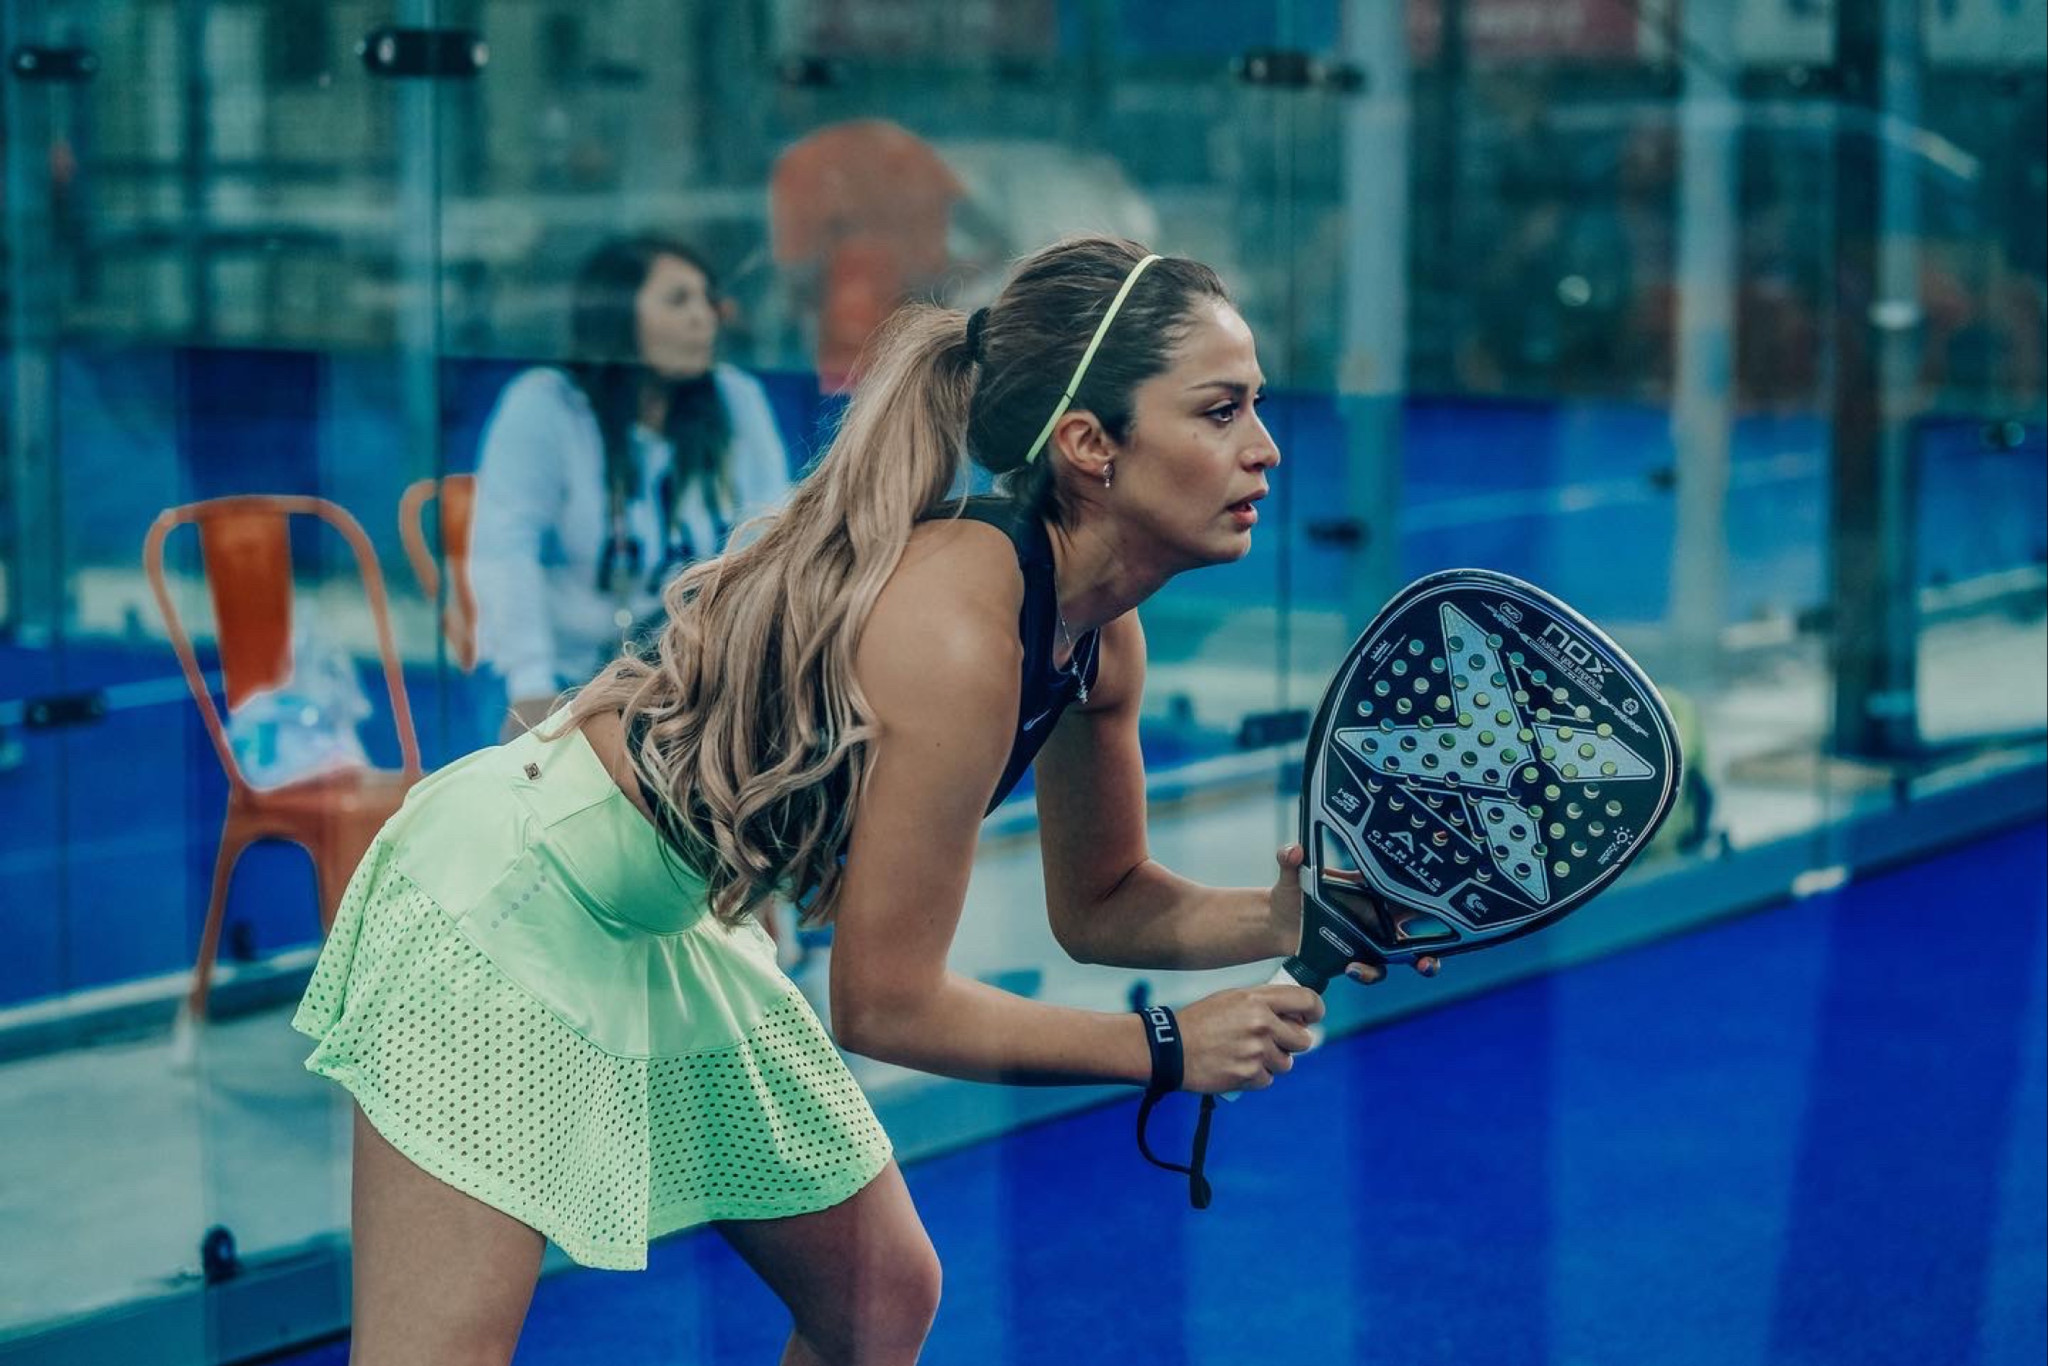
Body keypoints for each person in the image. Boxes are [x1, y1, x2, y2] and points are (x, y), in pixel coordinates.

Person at [292, 236, 1437, 1366]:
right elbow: (884, 1005)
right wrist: (1161, 1044)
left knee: (879, 1298)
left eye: (1255, 406)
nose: (1264, 447)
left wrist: (1282, 917)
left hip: (671, 915)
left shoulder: (1099, 637)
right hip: (512, 889)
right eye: (1220, 411)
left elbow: (1102, 902)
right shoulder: (958, 633)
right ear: (1090, 444)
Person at [470, 235, 793, 740]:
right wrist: (530, 683)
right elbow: (505, 551)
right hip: (566, 677)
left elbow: (773, 537)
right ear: (616, 318)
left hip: (695, 678)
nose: (703, 317)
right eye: (678, 300)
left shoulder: (736, 398)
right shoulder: (546, 405)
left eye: (707, 300)